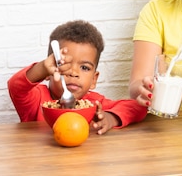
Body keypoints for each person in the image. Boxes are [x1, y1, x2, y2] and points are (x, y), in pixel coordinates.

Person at [8, 20, 147, 135]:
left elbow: (138, 107)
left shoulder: (94, 104)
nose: (74, 73)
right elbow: (16, 87)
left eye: (85, 68)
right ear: (49, 73)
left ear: (94, 79)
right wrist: (41, 68)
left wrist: (110, 118)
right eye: (64, 64)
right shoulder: (37, 99)